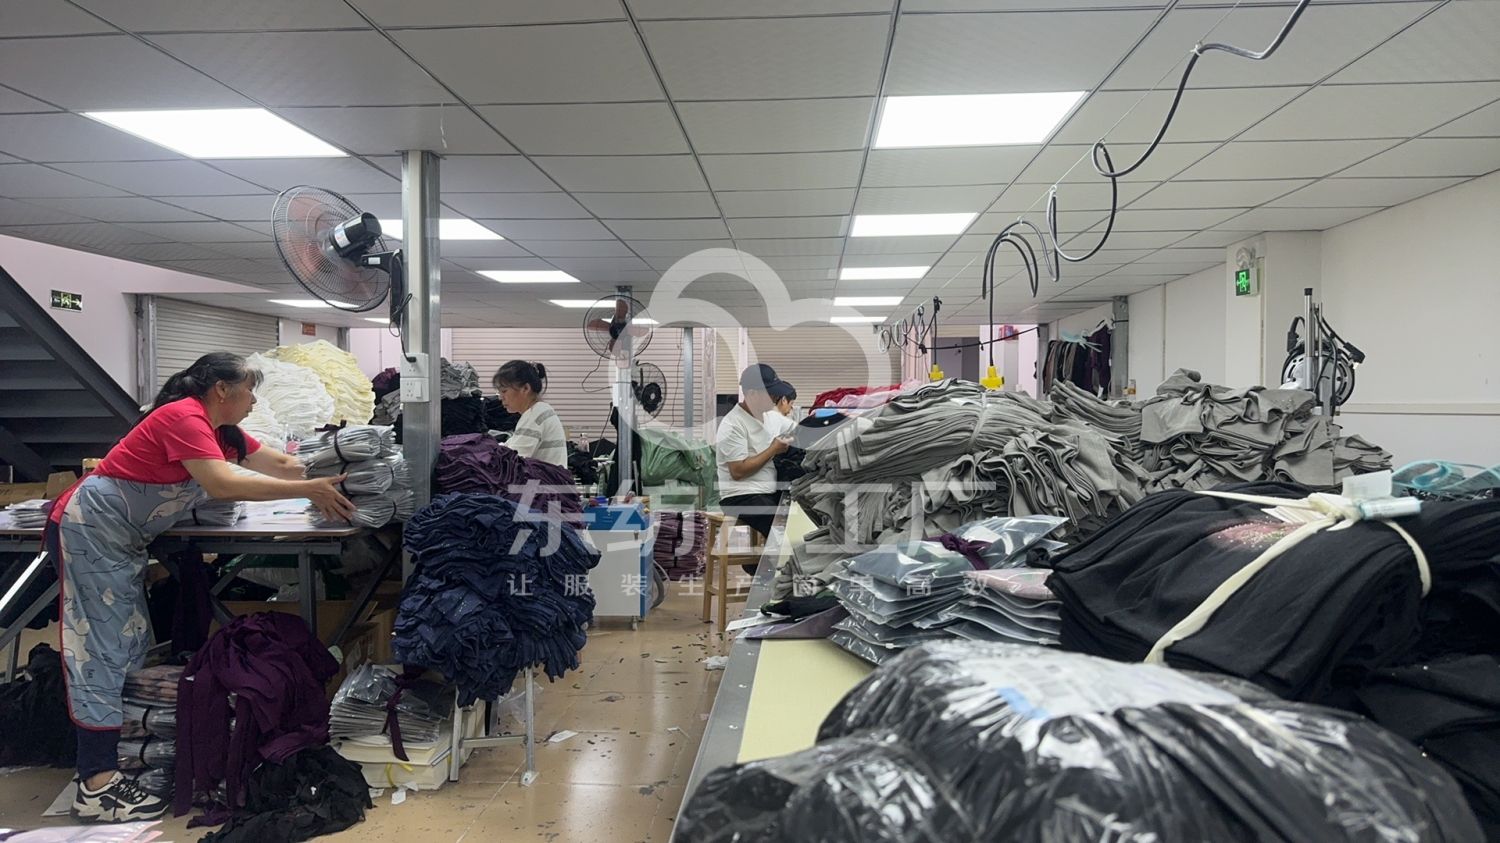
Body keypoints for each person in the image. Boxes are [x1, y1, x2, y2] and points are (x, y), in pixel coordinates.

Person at [45, 352, 356, 823]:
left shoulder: (223, 431)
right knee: (99, 649)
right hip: (91, 531)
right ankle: (96, 782)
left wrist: (348, 473)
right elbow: (222, 483)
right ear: (222, 390)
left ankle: (119, 759)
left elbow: (279, 464)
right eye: (249, 391)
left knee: (129, 644)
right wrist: (308, 491)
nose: (254, 401)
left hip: (124, 539)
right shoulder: (182, 417)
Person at [716, 365, 793, 561]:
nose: (775, 397)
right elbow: (737, 471)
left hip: (768, 493)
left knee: (798, 514)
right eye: (770, 393)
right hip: (741, 496)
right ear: (752, 393)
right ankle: (775, 572)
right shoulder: (733, 424)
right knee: (783, 530)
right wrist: (773, 450)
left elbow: (800, 431)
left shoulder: (771, 417)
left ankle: (757, 566)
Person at [493, 360, 567, 467]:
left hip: (542, 478)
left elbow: (512, 462)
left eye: (504, 391)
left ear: (525, 388)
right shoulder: (541, 410)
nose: (501, 397)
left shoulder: (535, 415)